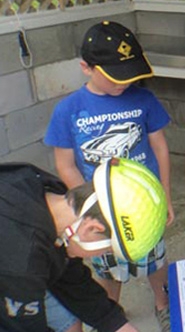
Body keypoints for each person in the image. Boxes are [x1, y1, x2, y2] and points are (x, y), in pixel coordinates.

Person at [44, 21, 174, 332]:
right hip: (100, 212)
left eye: (130, 75)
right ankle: (110, 312)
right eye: (116, 76)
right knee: (106, 267)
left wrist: (165, 195)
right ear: (86, 68)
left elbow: (160, 147)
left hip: (142, 207)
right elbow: (65, 164)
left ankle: (162, 303)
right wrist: (90, 206)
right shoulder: (68, 110)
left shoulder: (143, 99)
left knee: (154, 258)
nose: (125, 83)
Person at [0, 157, 168, 332]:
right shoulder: (22, 263)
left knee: (70, 324)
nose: (100, 254)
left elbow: (69, 277)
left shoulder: (48, 192)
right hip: (10, 287)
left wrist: (117, 325)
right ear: (91, 228)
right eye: (108, 249)